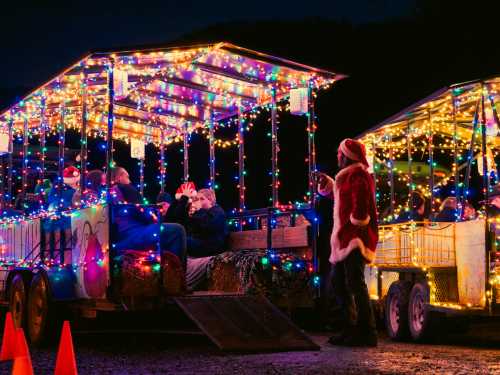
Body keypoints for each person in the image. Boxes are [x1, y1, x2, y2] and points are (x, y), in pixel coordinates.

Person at [318, 138, 378, 347]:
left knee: (353, 283)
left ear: (346, 156)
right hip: (345, 236)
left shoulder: (358, 175)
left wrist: (357, 221)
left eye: (339, 153)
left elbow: (360, 202)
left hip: (354, 237)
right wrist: (330, 185)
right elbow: (343, 196)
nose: (337, 156)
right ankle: (350, 328)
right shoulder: (349, 175)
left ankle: (366, 331)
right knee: (339, 282)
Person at [110, 167, 187, 269]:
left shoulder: (110, 193)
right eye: (127, 177)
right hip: (133, 235)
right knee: (177, 230)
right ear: (119, 178)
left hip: (119, 240)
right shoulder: (125, 188)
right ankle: (176, 274)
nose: (130, 180)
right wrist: (157, 214)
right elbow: (143, 213)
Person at [186, 188, 228, 258]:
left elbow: (207, 226)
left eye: (202, 199)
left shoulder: (217, 211)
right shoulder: (203, 212)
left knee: (183, 240)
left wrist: (199, 211)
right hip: (203, 243)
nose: (198, 202)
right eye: (197, 199)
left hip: (212, 247)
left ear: (210, 200)